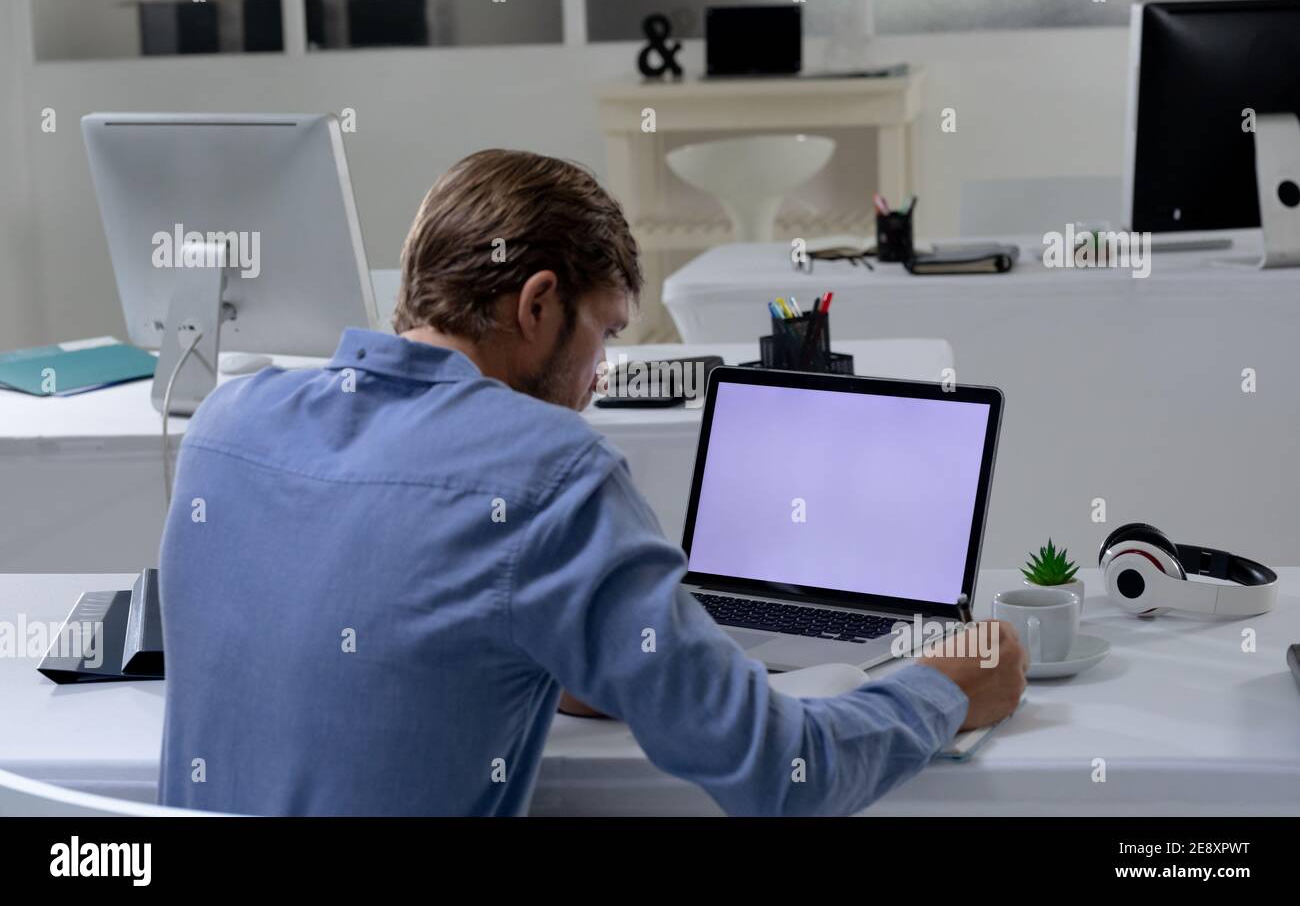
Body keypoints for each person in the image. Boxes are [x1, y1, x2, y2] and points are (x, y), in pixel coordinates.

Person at [158, 148, 1026, 815]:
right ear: (537, 306)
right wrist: (942, 690)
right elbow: (781, 773)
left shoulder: (227, 427)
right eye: (605, 336)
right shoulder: (551, 473)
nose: (600, 375)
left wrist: (558, 641)